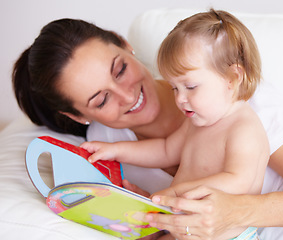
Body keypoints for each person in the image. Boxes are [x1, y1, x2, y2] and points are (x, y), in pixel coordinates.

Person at [11, 8, 283, 240]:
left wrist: (231, 211)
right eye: (99, 99)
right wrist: (143, 216)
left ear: (125, 44)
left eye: (119, 69)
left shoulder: (228, 91)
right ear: (78, 117)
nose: (126, 96)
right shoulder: (105, 150)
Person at [80, 10, 270, 240]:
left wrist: (178, 194)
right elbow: (166, 149)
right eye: (174, 88)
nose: (179, 98)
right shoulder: (198, 122)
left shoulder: (243, 128)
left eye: (190, 87)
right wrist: (116, 150)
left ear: (232, 78)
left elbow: (239, 180)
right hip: (186, 230)